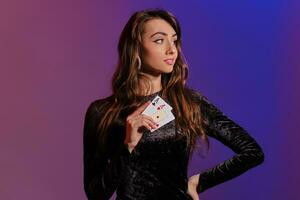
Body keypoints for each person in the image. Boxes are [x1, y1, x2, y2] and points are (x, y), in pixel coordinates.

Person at [83, 9, 264, 200]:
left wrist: (200, 181)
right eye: (159, 40)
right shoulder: (102, 112)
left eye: (174, 40)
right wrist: (128, 145)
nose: (172, 49)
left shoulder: (189, 103)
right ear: (135, 48)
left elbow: (253, 152)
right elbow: (96, 194)